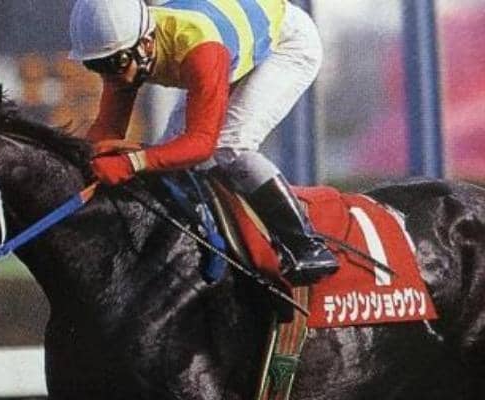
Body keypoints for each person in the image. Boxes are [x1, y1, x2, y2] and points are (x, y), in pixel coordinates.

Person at [68, 0, 338, 282]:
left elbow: (201, 145)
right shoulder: (125, 52)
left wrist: (130, 163)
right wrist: (79, 169)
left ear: (146, 44)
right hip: (228, 50)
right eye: (96, 66)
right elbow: (107, 131)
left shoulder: (199, 49)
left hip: (285, 45)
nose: (111, 76)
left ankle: (307, 245)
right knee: (167, 159)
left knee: (230, 145)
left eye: (116, 63)